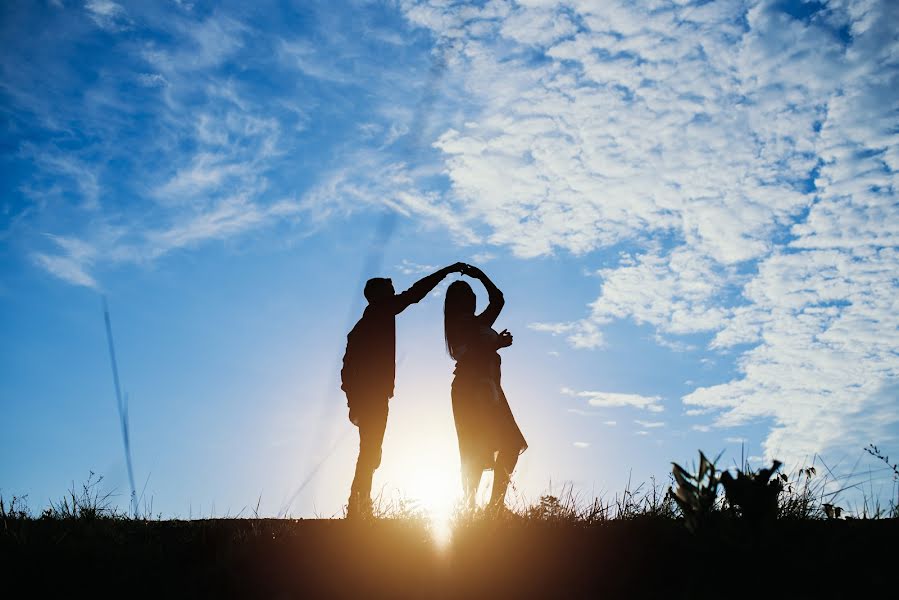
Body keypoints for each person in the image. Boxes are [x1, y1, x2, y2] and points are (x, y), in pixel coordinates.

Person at [341, 262, 466, 518]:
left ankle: (359, 504)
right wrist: (445, 271)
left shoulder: (365, 324)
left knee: (371, 451)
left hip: (370, 396)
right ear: (379, 295)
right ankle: (358, 506)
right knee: (370, 451)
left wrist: (352, 399)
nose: (393, 290)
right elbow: (415, 293)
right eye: (389, 288)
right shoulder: (380, 312)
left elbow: (345, 371)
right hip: (372, 396)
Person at [444, 264, 527, 511]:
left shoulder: (478, 323)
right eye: (467, 297)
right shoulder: (460, 327)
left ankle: (493, 506)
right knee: (477, 448)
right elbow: (466, 355)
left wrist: (479, 274)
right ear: (459, 303)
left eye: (473, 295)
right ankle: (475, 506)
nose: (472, 299)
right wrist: (496, 344)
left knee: (505, 445)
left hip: (489, 391)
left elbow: (498, 299)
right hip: (471, 392)